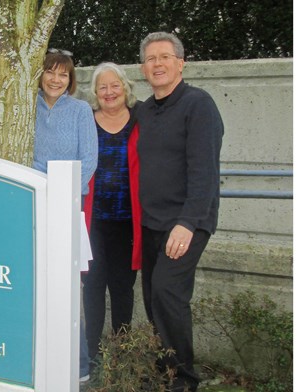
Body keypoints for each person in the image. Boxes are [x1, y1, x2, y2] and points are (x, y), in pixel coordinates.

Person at [136, 32, 224, 392]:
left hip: (187, 222)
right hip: (152, 222)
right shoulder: (144, 110)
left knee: (168, 295)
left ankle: (184, 380)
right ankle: (164, 371)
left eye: (165, 57)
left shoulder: (198, 105)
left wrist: (187, 223)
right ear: (143, 68)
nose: (157, 64)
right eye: (151, 59)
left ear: (181, 63)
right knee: (154, 299)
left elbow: (205, 171)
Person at [33, 49, 98, 383]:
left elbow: (88, 160)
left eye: (63, 74)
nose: (56, 79)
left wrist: (59, 189)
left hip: (67, 208)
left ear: (70, 80)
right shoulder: (26, 108)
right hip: (31, 205)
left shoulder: (81, 110)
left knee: (70, 290)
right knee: (35, 285)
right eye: (50, 72)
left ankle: (80, 367)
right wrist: (38, 185)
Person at [82, 62, 142, 366]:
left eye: (114, 85)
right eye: (102, 87)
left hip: (129, 223)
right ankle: (90, 355)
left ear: (125, 88)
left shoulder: (141, 119)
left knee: (122, 289)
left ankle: (122, 352)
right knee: (92, 287)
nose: (109, 92)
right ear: (95, 92)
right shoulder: (86, 122)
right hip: (93, 222)